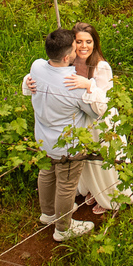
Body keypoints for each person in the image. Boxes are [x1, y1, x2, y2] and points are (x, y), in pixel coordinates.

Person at [25, 22, 133, 214]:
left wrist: (89, 85)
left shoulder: (101, 66)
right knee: (86, 162)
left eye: (88, 42)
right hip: (81, 122)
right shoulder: (69, 62)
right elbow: (48, 73)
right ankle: (92, 189)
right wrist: (29, 81)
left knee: (102, 159)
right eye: (79, 42)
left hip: (100, 122)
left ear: (95, 43)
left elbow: (105, 102)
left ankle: (108, 195)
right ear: (72, 45)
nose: (83, 46)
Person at [28, 27, 97, 242]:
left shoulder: (36, 67)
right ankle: (63, 228)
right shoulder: (73, 85)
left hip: (42, 138)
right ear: (67, 56)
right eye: (75, 48)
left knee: (46, 175)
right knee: (66, 186)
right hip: (68, 146)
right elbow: (94, 111)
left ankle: (48, 214)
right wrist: (90, 86)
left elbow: (31, 78)